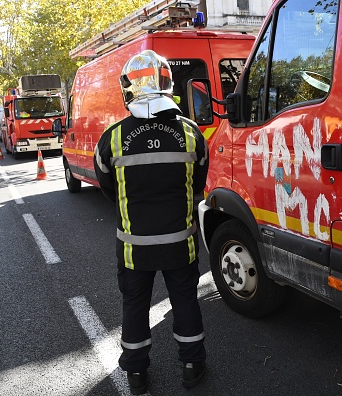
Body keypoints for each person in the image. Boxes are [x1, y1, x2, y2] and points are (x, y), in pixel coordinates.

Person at [94, 50, 209, 395]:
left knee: (134, 306)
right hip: (180, 243)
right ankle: (192, 365)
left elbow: (107, 188)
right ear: (168, 86)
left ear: (129, 89)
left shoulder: (113, 138)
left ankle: (136, 374)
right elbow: (198, 183)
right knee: (186, 301)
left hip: (134, 248)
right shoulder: (191, 133)